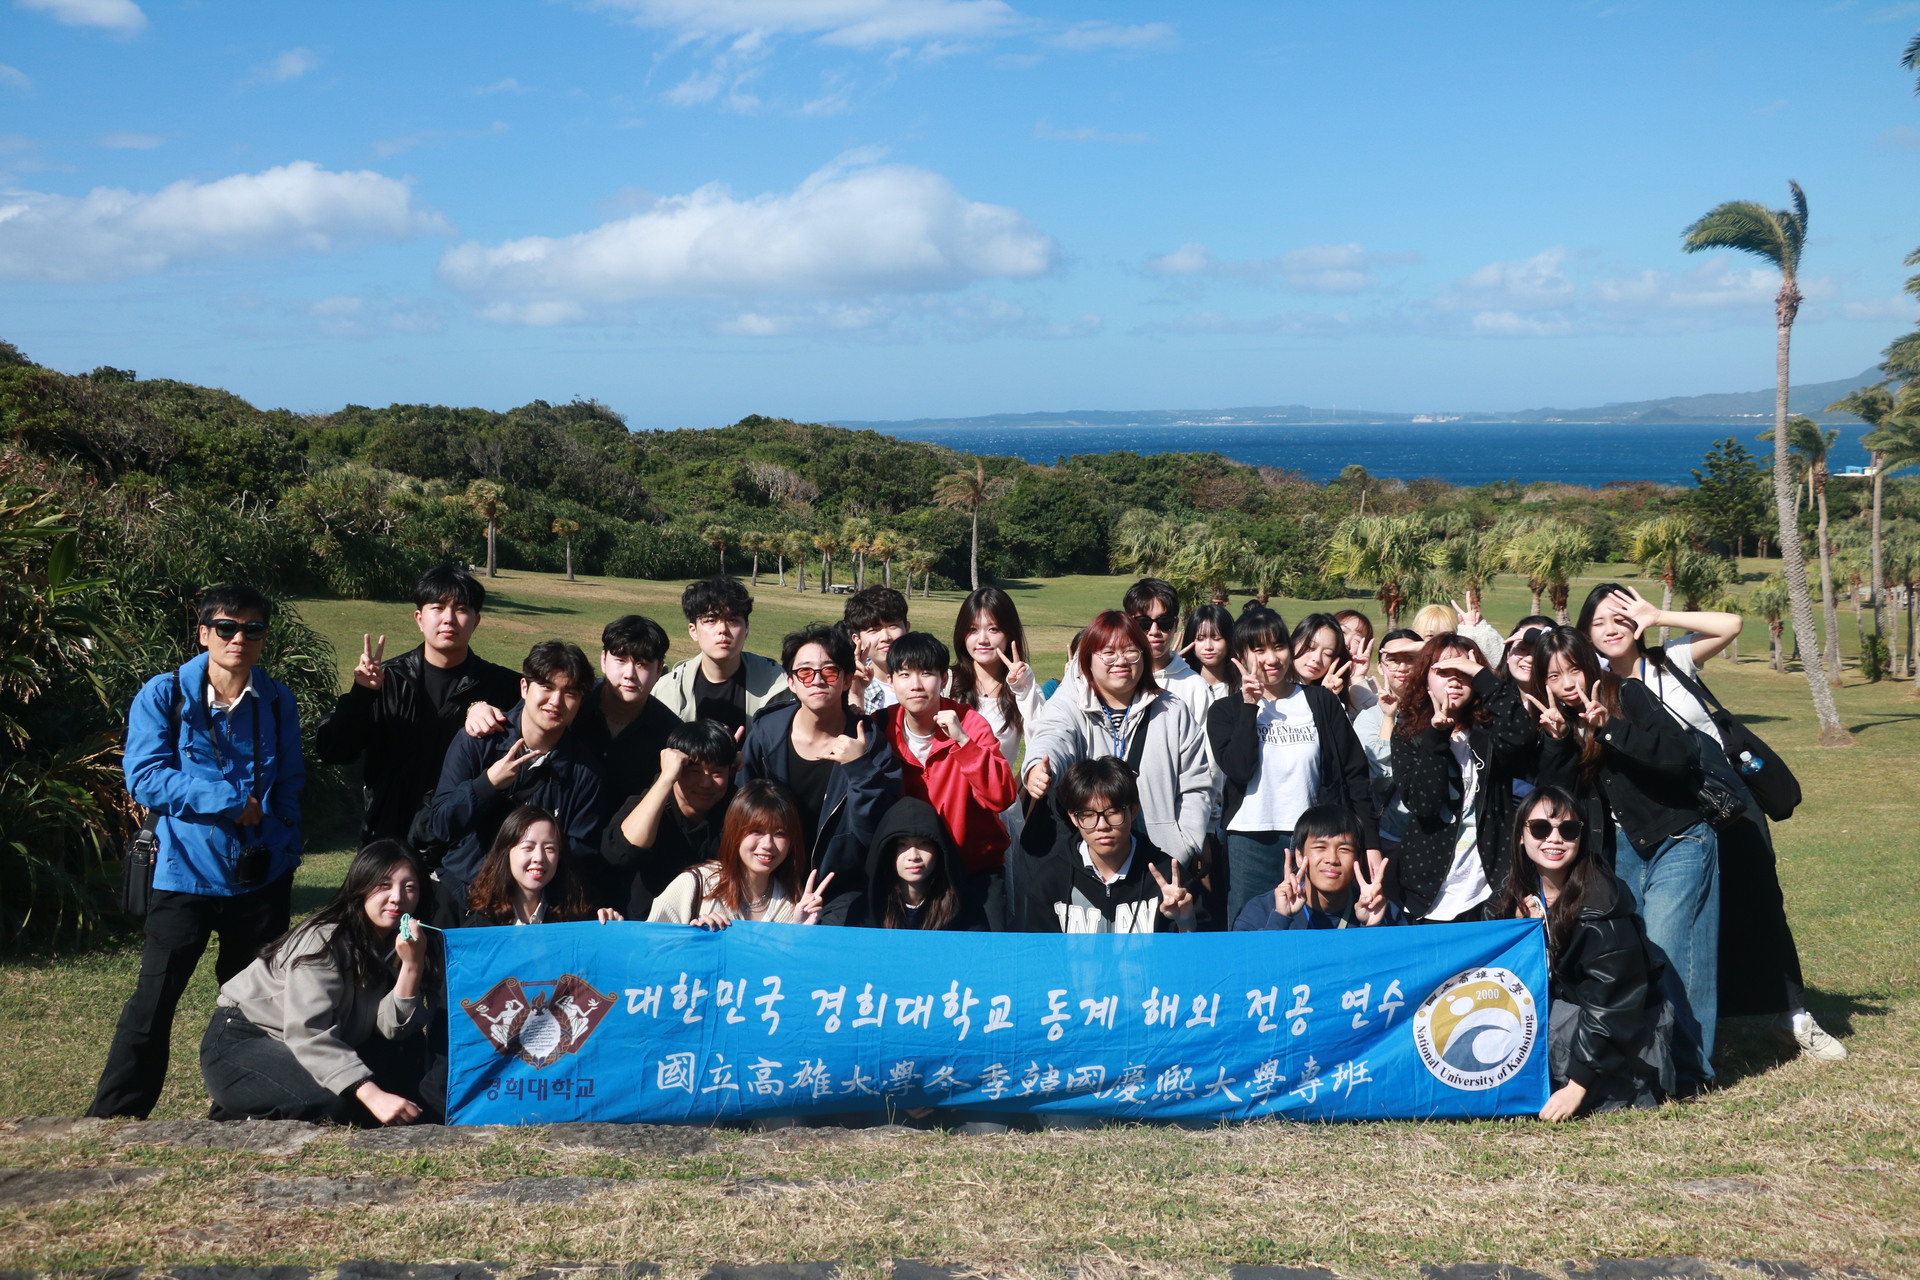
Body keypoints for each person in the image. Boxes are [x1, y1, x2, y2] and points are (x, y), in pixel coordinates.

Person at [1579, 582, 1843, 1062]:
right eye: (1598, 622)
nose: (1611, 630)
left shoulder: (1670, 660)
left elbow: (1732, 625)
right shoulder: (1596, 685)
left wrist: (1658, 614)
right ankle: (1693, 1023)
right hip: (1661, 811)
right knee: (1685, 918)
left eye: (1619, 618)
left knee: (1762, 904)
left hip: (1726, 800)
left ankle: (1793, 1015)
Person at [89, 583, 306, 1120]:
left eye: (252, 628)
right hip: (183, 875)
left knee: (258, 1009)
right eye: (227, 627)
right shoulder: (164, 695)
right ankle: (115, 1116)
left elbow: (291, 784)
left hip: (259, 881)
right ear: (204, 632)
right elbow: (144, 778)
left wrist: (284, 845)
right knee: (153, 1002)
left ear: (263, 638)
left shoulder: (277, 700)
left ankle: (243, 1108)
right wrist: (228, 800)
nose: (239, 638)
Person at [1526, 625, 1719, 1094]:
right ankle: (1653, 1062)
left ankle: (1692, 1073)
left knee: (1672, 949)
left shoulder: (1626, 694)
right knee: (1641, 953)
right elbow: (1558, 805)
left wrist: (1609, 727)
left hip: (1678, 836)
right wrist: (1556, 743)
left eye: (1573, 668)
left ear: (1589, 664)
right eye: (1554, 676)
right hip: (1621, 851)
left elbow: (1678, 757)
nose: (1567, 683)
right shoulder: (1560, 726)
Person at [199, 840, 430, 1126]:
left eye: (410, 887)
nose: (397, 897)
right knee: (342, 1101)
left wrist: (412, 964)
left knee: (411, 1070)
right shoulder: (322, 939)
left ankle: (268, 1096)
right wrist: (370, 1093)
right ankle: (240, 1106)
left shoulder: (397, 942)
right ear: (360, 886)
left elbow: (391, 1031)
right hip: (246, 1039)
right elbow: (307, 1032)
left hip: (310, 1046)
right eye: (383, 885)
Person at [1489, 785, 1672, 1118]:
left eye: (1568, 830)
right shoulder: (1515, 895)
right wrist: (1518, 933)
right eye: (1541, 828)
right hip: (1569, 1021)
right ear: (1521, 835)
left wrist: (1577, 1086)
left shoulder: (1601, 906)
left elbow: (1613, 1006)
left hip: (1620, 1039)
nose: (1554, 839)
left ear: (1581, 838)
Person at [314, 566, 523, 847]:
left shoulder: (504, 687)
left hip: (468, 842)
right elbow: (333, 751)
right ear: (419, 618)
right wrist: (361, 694)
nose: (449, 619)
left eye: (461, 609)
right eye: (437, 608)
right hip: (390, 836)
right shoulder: (385, 680)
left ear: (476, 620)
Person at [417, 640, 606, 926]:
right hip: (462, 896)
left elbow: (580, 853)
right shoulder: (478, 740)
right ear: (524, 688)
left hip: (535, 913)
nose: (556, 701)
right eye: (546, 687)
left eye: (569, 693)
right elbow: (441, 824)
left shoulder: (585, 771)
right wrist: (487, 784)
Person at [1207, 607, 1376, 925]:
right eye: (1258, 650)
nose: (1271, 658)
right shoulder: (1224, 711)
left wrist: (1371, 845)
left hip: (1314, 840)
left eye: (1278, 647)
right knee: (1251, 930)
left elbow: (1355, 775)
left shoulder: (1320, 701)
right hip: (1248, 841)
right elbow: (1240, 770)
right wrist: (1248, 705)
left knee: (1312, 926)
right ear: (1241, 656)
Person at [1021, 611, 1212, 872]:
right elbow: (1053, 734)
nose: (1121, 661)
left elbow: (1196, 784)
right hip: (1086, 863)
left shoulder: (1172, 710)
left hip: (1159, 860)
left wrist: (1183, 844)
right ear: (1088, 660)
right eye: (1108, 653)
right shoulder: (1071, 704)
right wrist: (1040, 767)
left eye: (1131, 651)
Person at [741, 624, 899, 916]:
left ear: (847, 679)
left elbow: (875, 833)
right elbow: (741, 813)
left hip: (842, 887)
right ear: (791, 682)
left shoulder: (870, 740)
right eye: (805, 672)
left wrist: (860, 769)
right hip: (769, 878)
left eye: (829, 671)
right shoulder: (767, 733)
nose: (816, 680)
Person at [1388, 633, 1541, 924]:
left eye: (1465, 672)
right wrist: (1436, 737)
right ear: (1425, 678)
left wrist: (1485, 678)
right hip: (1428, 889)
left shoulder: (1489, 730)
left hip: (1489, 885)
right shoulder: (1409, 733)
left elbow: (1523, 735)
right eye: (1444, 671)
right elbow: (1424, 804)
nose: (1455, 680)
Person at [881, 632, 1017, 928]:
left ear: (945, 678)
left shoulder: (969, 723)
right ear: (891, 680)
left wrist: (964, 743)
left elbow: (1002, 796)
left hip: (973, 869)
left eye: (926, 673)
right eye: (904, 674)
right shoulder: (881, 727)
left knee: (985, 961)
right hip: (907, 874)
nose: (915, 685)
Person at [1019, 758, 1196, 934]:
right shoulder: (1052, 880)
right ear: (1073, 817)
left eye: (1112, 813)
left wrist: (1186, 922)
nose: (1102, 825)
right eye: (1088, 814)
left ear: (1133, 811)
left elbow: (1203, 954)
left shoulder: (1168, 879)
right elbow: (1038, 955)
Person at [647, 781, 834, 927]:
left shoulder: (794, 902)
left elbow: (789, 972)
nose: (767, 844)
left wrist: (801, 932)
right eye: (757, 832)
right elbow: (648, 950)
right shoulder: (695, 885)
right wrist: (692, 939)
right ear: (734, 831)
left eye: (780, 833)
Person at [602, 719, 737, 921]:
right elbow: (622, 853)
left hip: (714, 927)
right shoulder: (651, 800)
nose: (706, 782)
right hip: (648, 927)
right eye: (694, 771)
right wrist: (666, 778)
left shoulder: (736, 809)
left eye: (717, 772)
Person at [1232, 805, 1403, 930]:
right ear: (1299, 856)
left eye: (1344, 849)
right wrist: (1281, 918)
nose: (1332, 859)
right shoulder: (1261, 911)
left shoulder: (1384, 912)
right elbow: (1248, 972)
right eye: (1320, 847)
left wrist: (1373, 927)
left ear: (1358, 859)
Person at [571, 614, 682, 807]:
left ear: (659, 670)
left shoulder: (670, 734)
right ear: (604, 660)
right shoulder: (572, 703)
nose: (629, 674)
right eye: (620, 660)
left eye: (642, 664)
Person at [653, 577, 785, 733]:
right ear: (693, 630)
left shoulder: (780, 685)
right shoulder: (667, 691)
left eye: (732, 620)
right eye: (711, 620)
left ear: (746, 628)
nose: (722, 629)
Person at [460, 805, 624, 926]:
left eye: (549, 849)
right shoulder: (481, 924)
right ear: (506, 853)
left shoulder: (576, 919)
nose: (539, 857)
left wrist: (608, 925)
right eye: (528, 848)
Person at [844, 797, 991, 930]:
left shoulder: (964, 906)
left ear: (939, 850)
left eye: (924, 843)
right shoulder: (864, 909)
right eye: (902, 845)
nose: (913, 856)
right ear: (887, 852)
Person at [1349, 628, 1426, 847]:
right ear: (1381, 667)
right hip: (1390, 833)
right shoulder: (1369, 718)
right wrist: (1389, 718)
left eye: (1411, 659)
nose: (1402, 668)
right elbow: (1380, 777)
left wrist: (1428, 649)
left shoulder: (1440, 710)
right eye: (1392, 660)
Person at [843, 585, 911, 714]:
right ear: (857, 640)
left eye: (893, 626)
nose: (885, 637)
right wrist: (856, 694)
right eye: (873, 630)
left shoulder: (935, 680)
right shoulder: (845, 687)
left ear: (907, 628)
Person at [1289, 611, 1372, 715]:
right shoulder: (1275, 683)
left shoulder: (1335, 690)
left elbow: (1370, 722)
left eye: (1328, 654)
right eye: (1310, 647)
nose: (1317, 658)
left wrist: (1357, 678)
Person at [1411, 600, 1505, 669]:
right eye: (1430, 636)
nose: (1439, 643)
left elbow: (1502, 666)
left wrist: (1480, 633)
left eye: (1447, 636)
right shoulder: (1407, 669)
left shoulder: (1467, 667)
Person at [1333, 609, 1379, 702]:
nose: (1346, 643)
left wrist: (1357, 679)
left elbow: (1373, 715)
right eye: (1343, 632)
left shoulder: (1369, 687)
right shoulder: (1306, 673)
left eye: (1357, 640)